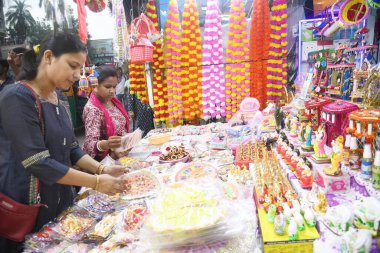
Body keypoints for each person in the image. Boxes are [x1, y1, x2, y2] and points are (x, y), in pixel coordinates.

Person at [0, 33, 127, 253]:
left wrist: (103, 168)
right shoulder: (17, 97)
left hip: (60, 202)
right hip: (29, 208)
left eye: (80, 68)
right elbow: (38, 161)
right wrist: (96, 182)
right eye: (72, 66)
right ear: (48, 57)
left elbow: (72, 148)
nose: (78, 75)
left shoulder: (59, 98)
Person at [82, 66, 130, 161]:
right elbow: (90, 144)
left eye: (114, 86)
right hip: (105, 162)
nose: (112, 91)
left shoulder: (113, 101)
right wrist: (107, 145)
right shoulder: (93, 109)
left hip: (122, 155)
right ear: (95, 86)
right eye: (107, 87)